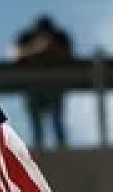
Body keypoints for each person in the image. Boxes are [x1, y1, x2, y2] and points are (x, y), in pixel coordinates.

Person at [12, 15, 73, 149]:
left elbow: (69, 57)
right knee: (36, 124)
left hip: (54, 84)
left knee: (57, 120)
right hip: (32, 85)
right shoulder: (26, 38)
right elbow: (15, 56)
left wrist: (52, 49)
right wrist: (36, 49)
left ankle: (61, 148)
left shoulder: (60, 37)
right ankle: (39, 149)